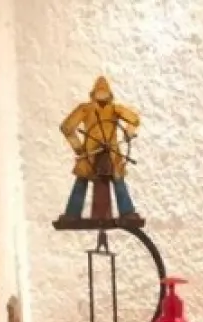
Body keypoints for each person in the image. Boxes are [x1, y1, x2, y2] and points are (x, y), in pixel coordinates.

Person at [58, 76, 143, 224]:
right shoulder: (87, 109)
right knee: (85, 180)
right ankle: (126, 213)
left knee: (115, 181)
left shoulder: (109, 109)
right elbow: (66, 127)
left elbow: (134, 119)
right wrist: (78, 148)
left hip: (108, 153)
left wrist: (128, 133)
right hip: (92, 153)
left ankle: (73, 214)